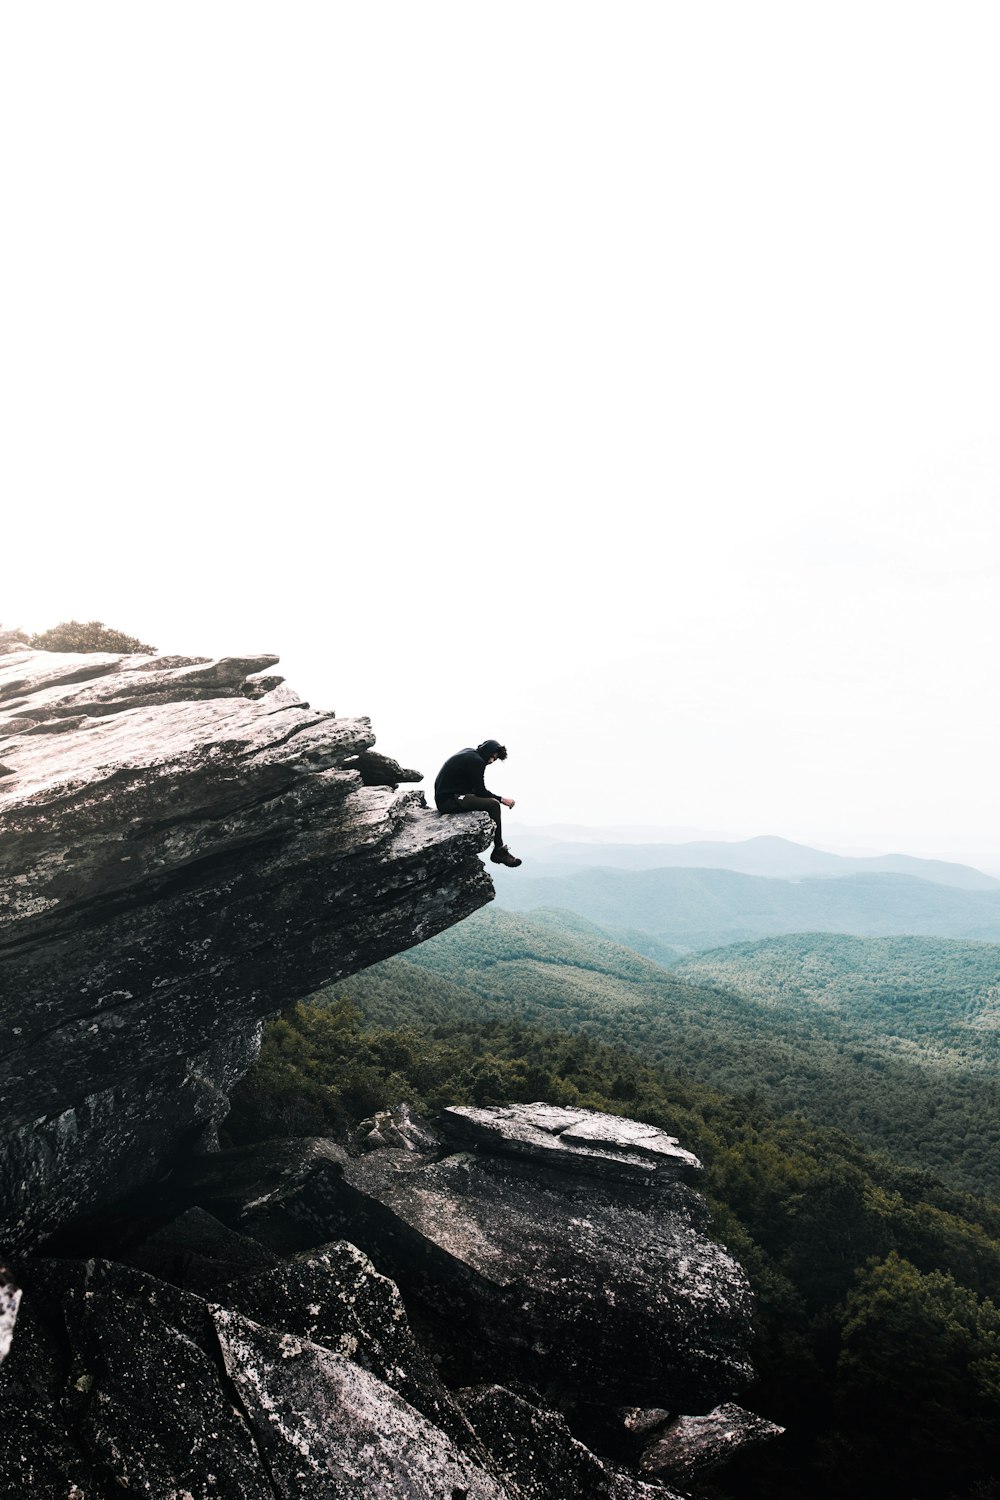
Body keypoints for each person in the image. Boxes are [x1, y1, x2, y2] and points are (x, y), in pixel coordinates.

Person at [434, 739, 522, 867]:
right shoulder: (477, 761)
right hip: (449, 801)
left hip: (450, 796)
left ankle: (499, 849)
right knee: (493, 804)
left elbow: (473, 787)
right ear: (487, 752)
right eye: (492, 757)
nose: (491, 761)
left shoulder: (469, 753)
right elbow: (481, 791)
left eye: (495, 759)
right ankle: (499, 850)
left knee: (486, 802)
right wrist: (502, 799)